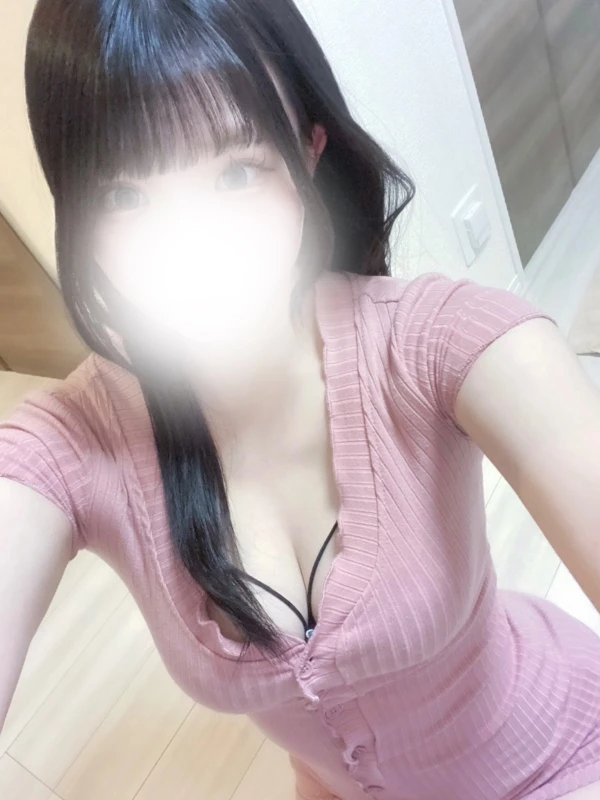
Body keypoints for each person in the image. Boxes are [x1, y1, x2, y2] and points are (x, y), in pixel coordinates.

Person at [1, 1, 599, 798]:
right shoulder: (72, 440)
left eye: (236, 171)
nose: (187, 245)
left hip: (561, 756)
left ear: (309, 148)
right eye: (122, 194)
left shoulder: (439, 341)